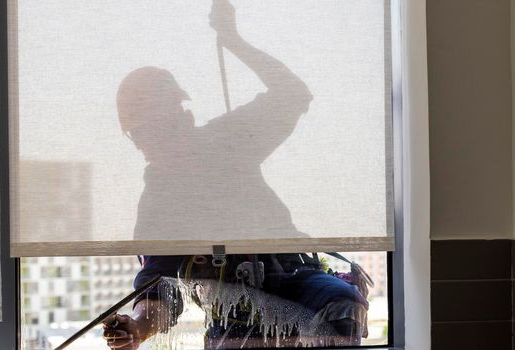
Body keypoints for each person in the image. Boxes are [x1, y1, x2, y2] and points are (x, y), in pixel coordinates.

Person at [104, 1, 369, 348]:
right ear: (137, 142)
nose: (155, 144)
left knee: (341, 306)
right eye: (144, 136)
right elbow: (159, 286)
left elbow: (292, 93)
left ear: (184, 118)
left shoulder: (226, 140)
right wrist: (137, 326)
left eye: (163, 128)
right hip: (234, 310)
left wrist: (235, 41)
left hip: (293, 278)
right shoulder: (160, 203)